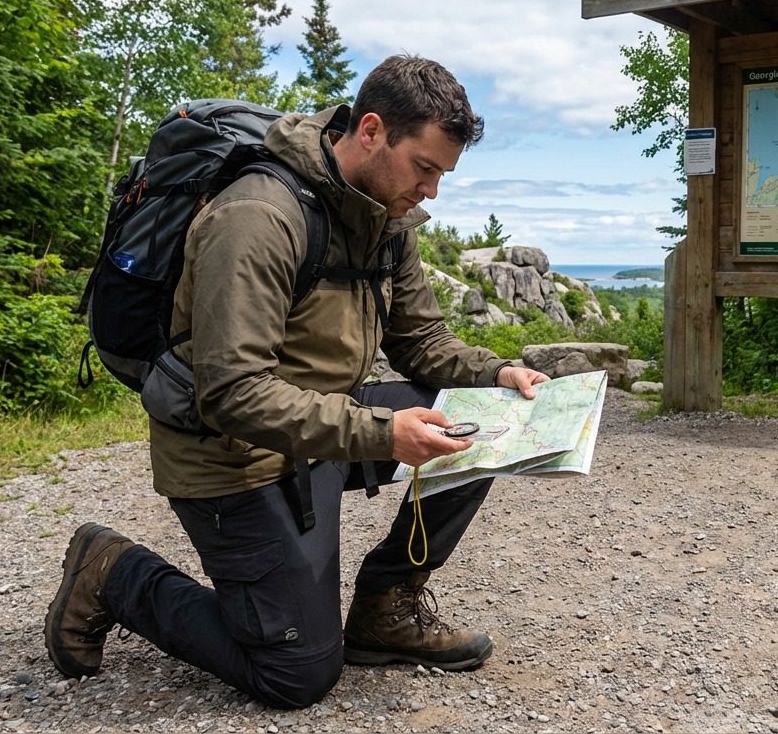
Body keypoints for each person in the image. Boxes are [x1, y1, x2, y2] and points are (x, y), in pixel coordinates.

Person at [43, 55, 549, 709]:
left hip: (317, 433)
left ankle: (385, 613)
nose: (431, 192)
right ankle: (114, 572)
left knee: (483, 424)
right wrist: (381, 432)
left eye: (441, 176)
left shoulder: (387, 221)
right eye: (425, 169)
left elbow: (422, 342)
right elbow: (230, 393)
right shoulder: (258, 216)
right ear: (371, 131)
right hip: (227, 454)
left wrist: (497, 372)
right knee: (297, 673)